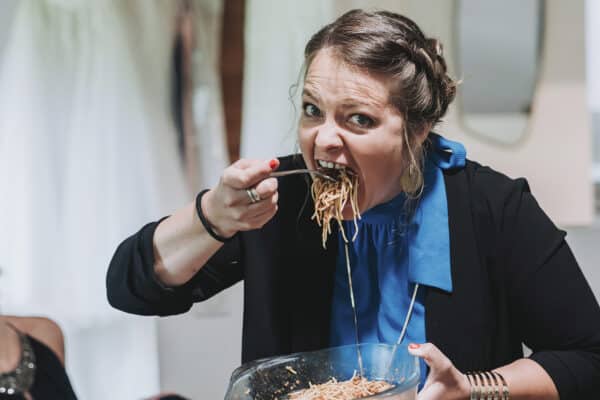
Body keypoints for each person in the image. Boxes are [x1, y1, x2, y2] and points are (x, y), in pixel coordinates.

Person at [106, 9, 600, 399]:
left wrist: (471, 390)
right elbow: (132, 288)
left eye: (358, 120)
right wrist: (211, 217)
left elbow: (587, 359)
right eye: (311, 110)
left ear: (417, 129)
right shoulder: (280, 200)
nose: (323, 140)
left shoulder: (492, 207)